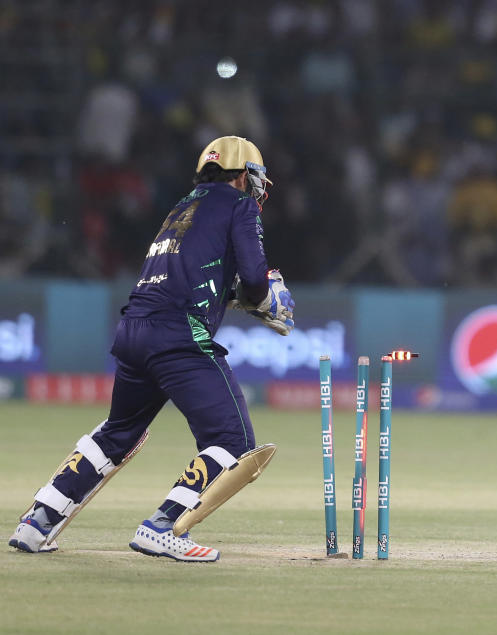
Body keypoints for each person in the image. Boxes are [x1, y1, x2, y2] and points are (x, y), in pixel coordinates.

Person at [9, 136, 295, 562]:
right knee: (233, 440)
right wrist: (264, 296)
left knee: (117, 433)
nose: (257, 188)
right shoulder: (240, 206)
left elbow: (193, 274)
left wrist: (232, 296)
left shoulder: (182, 207)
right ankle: (163, 526)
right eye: (254, 178)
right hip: (178, 333)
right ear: (242, 174)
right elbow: (255, 279)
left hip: (134, 330)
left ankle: (36, 523)